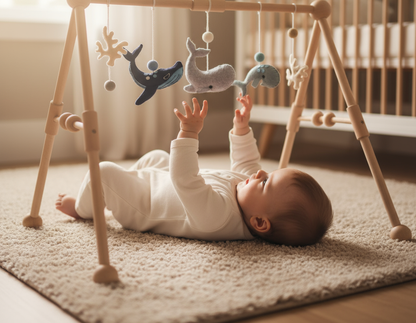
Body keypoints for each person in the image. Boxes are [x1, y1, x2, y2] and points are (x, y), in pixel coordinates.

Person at [56, 94, 333, 246]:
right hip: (161, 182)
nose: (260, 175)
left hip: (145, 205)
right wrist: (241, 129)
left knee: (103, 172)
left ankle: (85, 210)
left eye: (265, 183)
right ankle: (124, 184)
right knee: (157, 156)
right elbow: (247, 163)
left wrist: (188, 133)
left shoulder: (218, 218)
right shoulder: (249, 194)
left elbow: (185, 179)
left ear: (259, 222)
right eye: (269, 174)